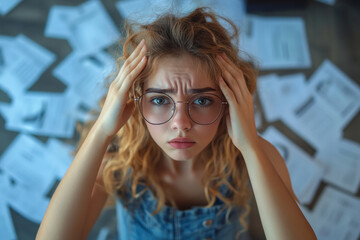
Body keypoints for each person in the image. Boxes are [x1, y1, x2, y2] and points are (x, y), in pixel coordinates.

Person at [36, 7, 317, 240]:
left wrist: (251, 148)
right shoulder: (117, 158)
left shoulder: (252, 155)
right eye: (160, 100)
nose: (181, 124)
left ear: (229, 102)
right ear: (135, 99)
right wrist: (101, 132)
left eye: (203, 100)